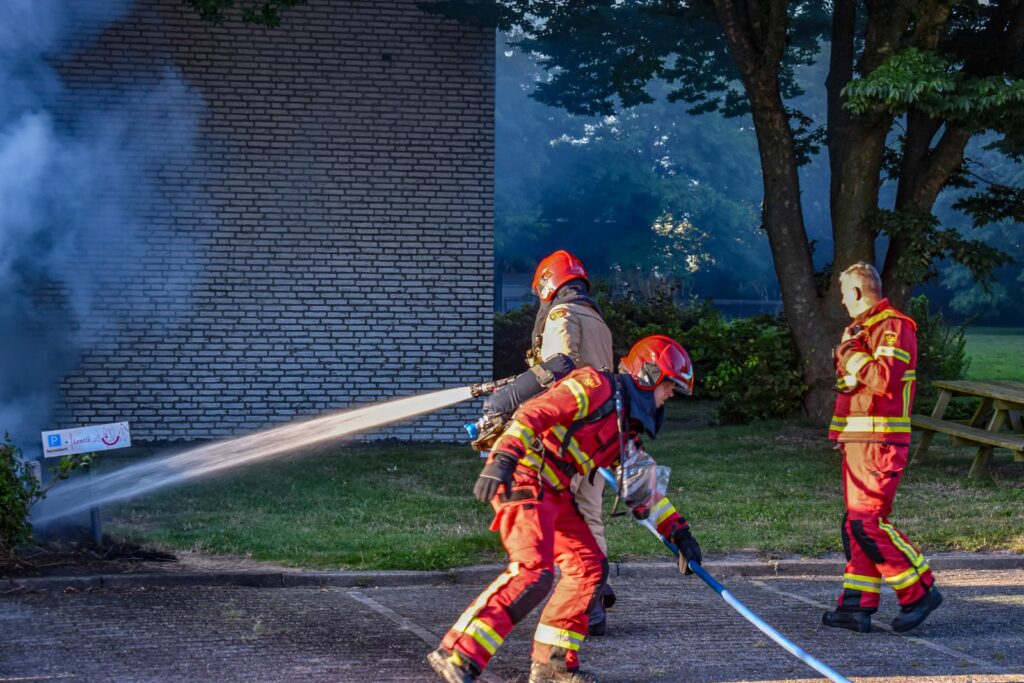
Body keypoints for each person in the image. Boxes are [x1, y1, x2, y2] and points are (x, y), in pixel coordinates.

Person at [428, 335, 702, 683]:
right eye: (670, 385)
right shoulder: (593, 386)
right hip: (524, 477)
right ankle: (458, 652)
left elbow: (643, 488)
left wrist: (679, 532)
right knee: (533, 571)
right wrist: (503, 459)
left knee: (589, 568)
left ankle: (552, 666)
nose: (671, 395)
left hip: (555, 490)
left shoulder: (624, 425)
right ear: (648, 374)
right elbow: (533, 414)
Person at [822, 261, 942, 634]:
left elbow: (883, 379)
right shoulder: (863, 330)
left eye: (844, 294)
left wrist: (847, 352)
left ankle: (919, 590)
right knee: (855, 524)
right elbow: (853, 389)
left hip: (879, 440)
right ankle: (855, 605)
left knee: (867, 522)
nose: (842, 302)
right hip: (861, 441)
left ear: (858, 292)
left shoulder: (893, 326)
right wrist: (841, 434)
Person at [526, 249, 617, 634]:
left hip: (568, 437)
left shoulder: (563, 314)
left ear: (548, 284)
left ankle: (581, 599)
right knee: (589, 515)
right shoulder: (597, 320)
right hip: (599, 437)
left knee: (556, 518)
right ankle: (594, 598)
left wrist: (518, 398)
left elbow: (559, 368)